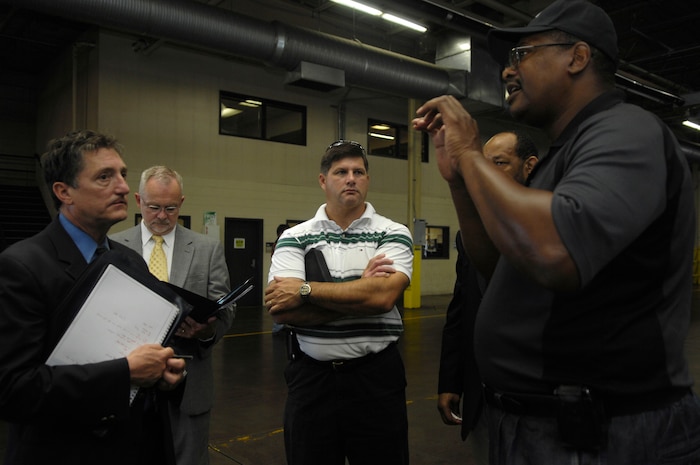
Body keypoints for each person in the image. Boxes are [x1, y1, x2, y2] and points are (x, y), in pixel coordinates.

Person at [413, 0, 700, 463]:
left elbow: (554, 250)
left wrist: (470, 152)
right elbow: (502, 265)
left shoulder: (627, 131)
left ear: (577, 57)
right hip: (541, 429)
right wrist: (459, 181)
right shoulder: (560, 157)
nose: (508, 71)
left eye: (522, 54)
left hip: (603, 436)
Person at [0, 130, 186, 465]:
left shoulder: (129, 261)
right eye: (104, 177)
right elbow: (12, 389)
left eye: (122, 175)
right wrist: (125, 373)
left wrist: (162, 376)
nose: (123, 187)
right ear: (63, 192)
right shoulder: (22, 266)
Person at [265, 140, 414, 465]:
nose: (351, 178)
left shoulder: (393, 232)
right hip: (311, 382)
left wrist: (305, 290)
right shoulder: (294, 236)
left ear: (367, 180)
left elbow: (384, 297)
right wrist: (361, 290)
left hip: (375, 381)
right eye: (341, 172)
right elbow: (283, 309)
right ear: (323, 180)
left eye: (358, 171)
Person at [110, 165, 234, 465]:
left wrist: (205, 331)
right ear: (138, 200)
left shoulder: (207, 249)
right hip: (129, 379)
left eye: (170, 208)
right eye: (153, 207)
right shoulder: (113, 247)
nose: (162, 216)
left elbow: (227, 308)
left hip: (190, 383)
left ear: (182, 202)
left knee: (189, 458)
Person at [437, 131, 538, 465]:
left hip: (539, 399)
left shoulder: (547, 224)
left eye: (500, 163)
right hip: (483, 398)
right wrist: (451, 381)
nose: (489, 172)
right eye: (485, 164)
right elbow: (460, 309)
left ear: (529, 166)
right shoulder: (473, 232)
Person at [271, 223, 291, 335]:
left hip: (284, 276)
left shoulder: (280, 243)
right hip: (279, 277)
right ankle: (277, 327)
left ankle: (282, 325)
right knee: (279, 303)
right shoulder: (279, 244)